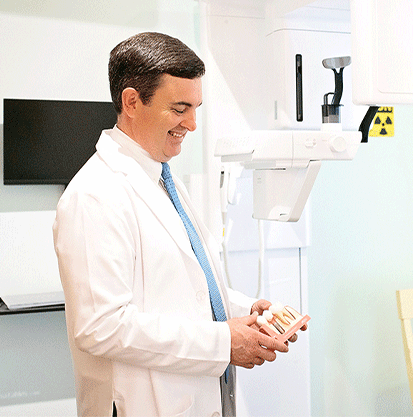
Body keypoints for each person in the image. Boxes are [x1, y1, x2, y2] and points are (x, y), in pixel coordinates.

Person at [53, 32, 291, 417]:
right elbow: (101, 327)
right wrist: (222, 343)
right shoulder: (95, 195)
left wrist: (248, 310)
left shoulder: (164, 179)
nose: (192, 124)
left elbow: (189, 287)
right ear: (132, 101)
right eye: (180, 108)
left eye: (196, 108)